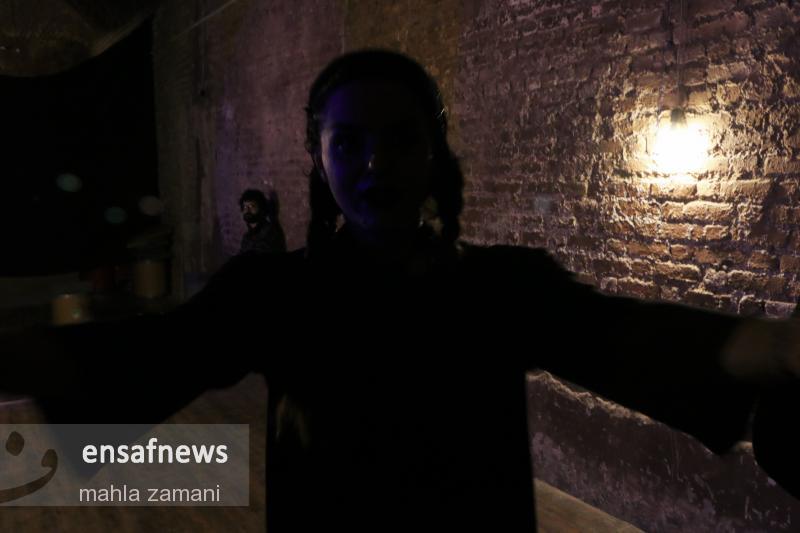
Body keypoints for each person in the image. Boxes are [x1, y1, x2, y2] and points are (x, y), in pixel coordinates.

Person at [1, 50, 799, 531]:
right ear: (319, 160)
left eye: (397, 138)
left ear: (432, 153)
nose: (374, 164)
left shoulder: (497, 287)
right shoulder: (275, 295)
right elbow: (156, 355)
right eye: (348, 143)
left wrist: (776, 346)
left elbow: (619, 338)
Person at [238, 188, 287, 255]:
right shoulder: (247, 237)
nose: (247, 210)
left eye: (252, 206)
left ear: (261, 209)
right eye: (245, 207)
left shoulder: (270, 233)